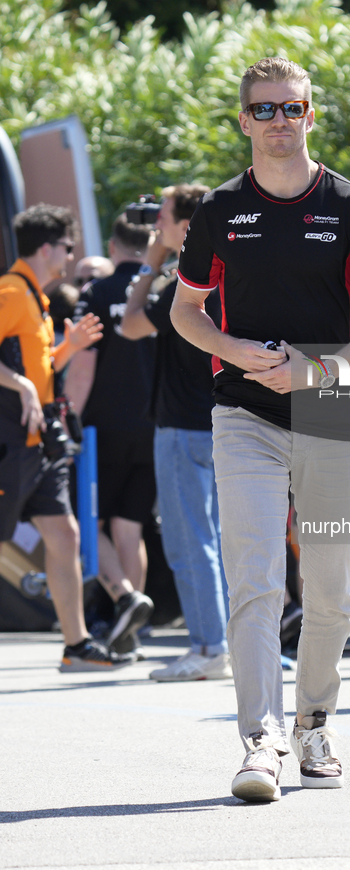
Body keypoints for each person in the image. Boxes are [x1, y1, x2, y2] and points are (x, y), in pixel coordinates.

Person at [170, 57, 350, 802]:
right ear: (244, 121)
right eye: (264, 110)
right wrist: (233, 349)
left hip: (334, 412)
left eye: (291, 109)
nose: (279, 121)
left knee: (333, 591)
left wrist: (316, 369)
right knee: (254, 581)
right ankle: (261, 738)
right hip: (244, 414)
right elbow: (186, 311)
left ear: (311, 114)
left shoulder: (349, 206)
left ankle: (312, 720)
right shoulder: (218, 209)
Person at [0, 203, 133, 671]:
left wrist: (67, 349)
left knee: (65, 533)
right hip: (11, 444)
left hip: (38, 446)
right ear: (46, 248)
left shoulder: (35, 296)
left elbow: (33, 370)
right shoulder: (12, 292)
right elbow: (18, 378)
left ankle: (76, 645)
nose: (71, 255)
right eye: (68, 247)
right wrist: (19, 387)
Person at [119, 183, 231, 681]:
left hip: (184, 428)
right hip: (223, 423)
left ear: (187, 227)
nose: (155, 227)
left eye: (163, 219)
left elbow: (129, 324)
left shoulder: (185, 288)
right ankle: (228, 643)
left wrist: (151, 260)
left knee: (191, 544)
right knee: (223, 541)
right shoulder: (230, 275)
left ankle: (210, 647)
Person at [65, 214, 155, 653]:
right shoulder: (160, 291)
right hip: (155, 425)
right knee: (130, 527)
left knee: (85, 521)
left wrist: (67, 423)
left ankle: (124, 597)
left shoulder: (96, 294)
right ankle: (130, 634)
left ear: (114, 246)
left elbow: (82, 368)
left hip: (103, 428)